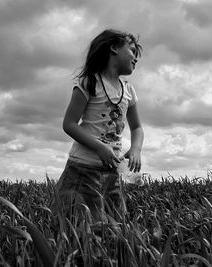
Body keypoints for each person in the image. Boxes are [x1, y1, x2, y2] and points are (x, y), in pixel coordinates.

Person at [53, 29, 144, 223]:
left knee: (115, 223)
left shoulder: (128, 90)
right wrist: (99, 147)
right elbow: (69, 124)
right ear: (112, 48)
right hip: (82, 168)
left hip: (112, 171)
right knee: (81, 224)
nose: (135, 58)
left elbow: (137, 128)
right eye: (132, 50)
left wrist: (135, 149)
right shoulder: (89, 82)